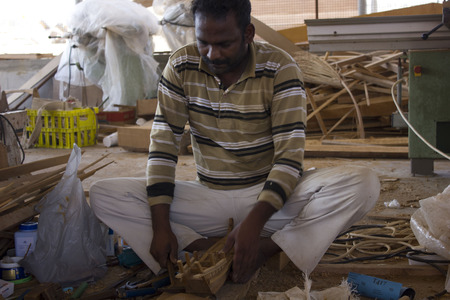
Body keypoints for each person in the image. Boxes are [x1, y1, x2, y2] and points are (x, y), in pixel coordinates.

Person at [89, 0, 380, 284]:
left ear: (248, 34)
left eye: (225, 43)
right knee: (103, 194)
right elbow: (163, 148)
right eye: (204, 42)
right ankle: (204, 247)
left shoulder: (280, 68)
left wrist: (254, 225)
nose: (212, 54)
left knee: (364, 184)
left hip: (271, 202)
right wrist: (162, 225)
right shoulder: (180, 66)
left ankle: (265, 249)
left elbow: (289, 159)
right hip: (209, 198)